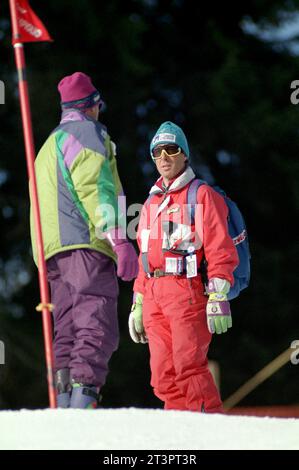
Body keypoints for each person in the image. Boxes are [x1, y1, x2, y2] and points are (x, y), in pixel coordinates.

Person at [30, 72, 138, 408]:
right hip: (86, 244)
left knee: (68, 327)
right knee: (96, 321)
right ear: (91, 106)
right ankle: (83, 403)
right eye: (98, 105)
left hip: (53, 252)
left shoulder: (48, 145)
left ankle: (64, 404)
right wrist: (119, 239)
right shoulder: (87, 133)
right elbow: (95, 188)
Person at [129, 121, 238, 412]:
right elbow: (144, 256)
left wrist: (218, 294)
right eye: (157, 152)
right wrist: (137, 301)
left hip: (185, 292)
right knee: (163, 377)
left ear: (184, 154)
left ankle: (208, 436)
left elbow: (220, 249)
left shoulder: (201, 195)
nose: (163, 157)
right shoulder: (151, 203)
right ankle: (178, 439)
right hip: (153, 294)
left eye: (171, 149)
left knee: (189, 368)